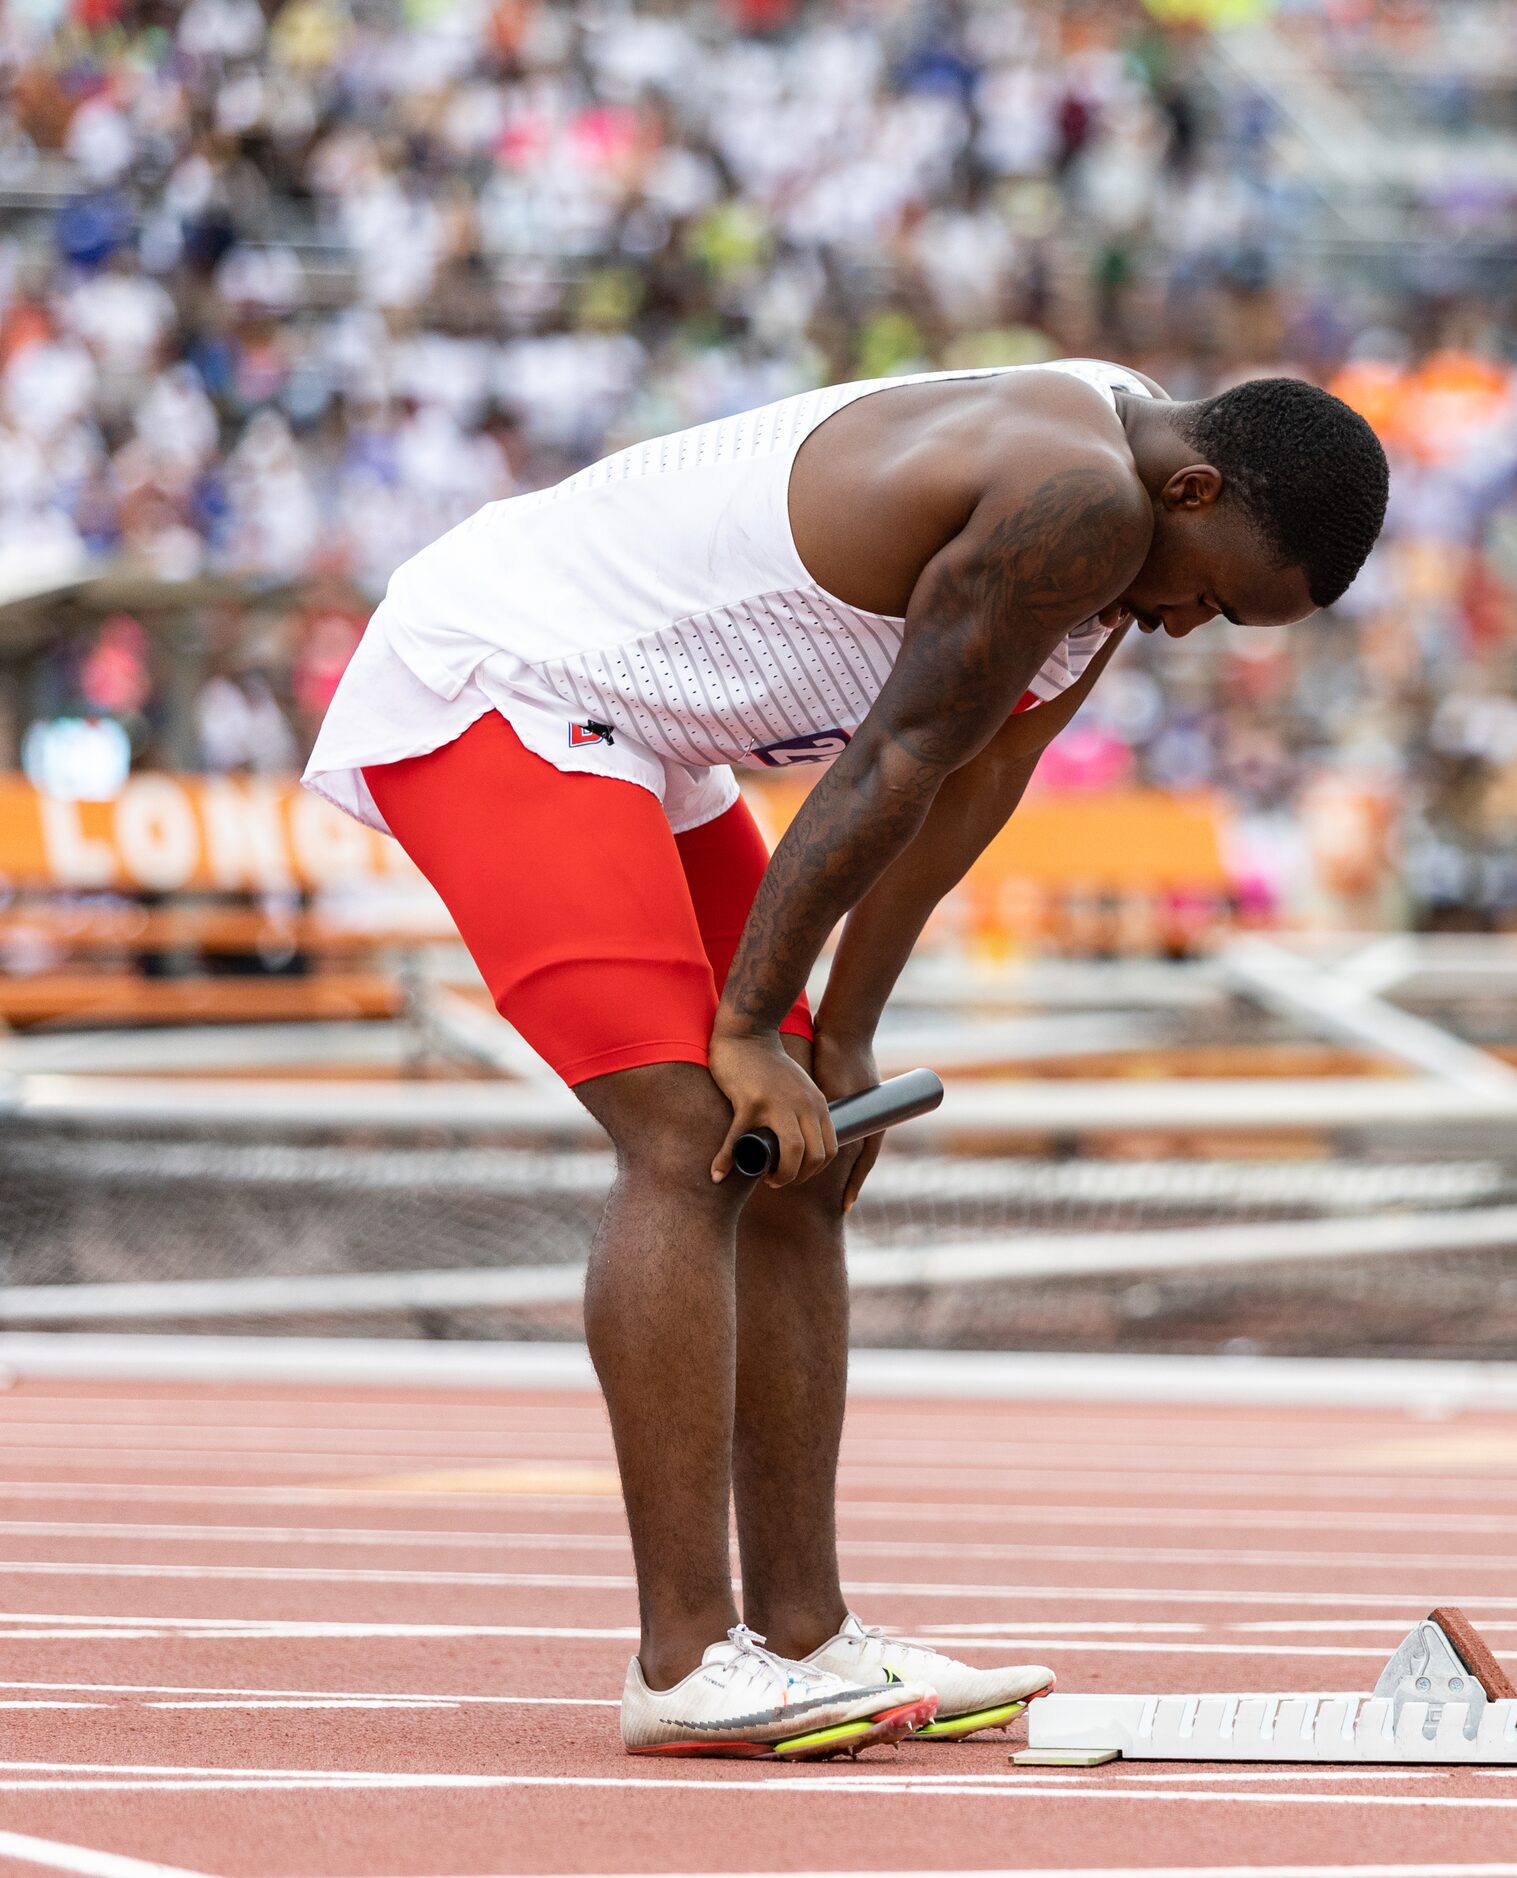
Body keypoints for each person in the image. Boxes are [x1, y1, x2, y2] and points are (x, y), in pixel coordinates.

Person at [301, 362, 1389, 1757]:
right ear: (1190, 491)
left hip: (644, 733)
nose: (1181, 628)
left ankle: (805, 1634)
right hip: (509, 678)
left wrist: (842, 1031)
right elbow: (890, 756)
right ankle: (685, 1656)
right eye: (1210, 597)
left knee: (798, 1155)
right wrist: (751, 1028)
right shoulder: (1080, 501)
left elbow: (975, 780)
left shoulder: (1139, 514)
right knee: (690, 1131)